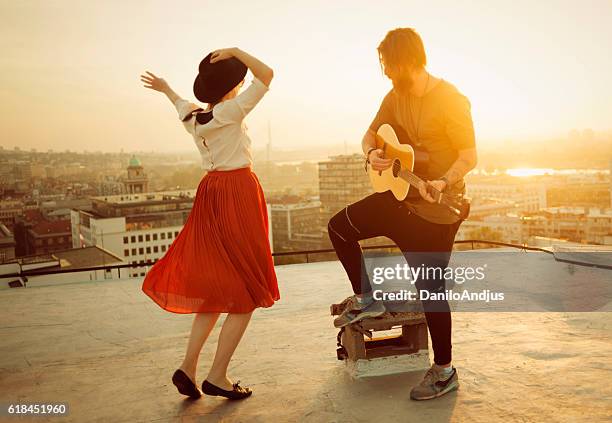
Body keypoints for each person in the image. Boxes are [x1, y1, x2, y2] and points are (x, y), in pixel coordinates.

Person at [327, 28, 477, 401]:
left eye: (391, 66)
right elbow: (370, 135)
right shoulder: (394, 96)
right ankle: (366, 297)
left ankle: (444, 371)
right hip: (401, 198)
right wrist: (371, 154)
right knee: (339, 228)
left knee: (431, 290)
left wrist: (442, 181)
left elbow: (469, 156)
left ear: (410, 60)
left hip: (437, 211)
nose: (388, 74)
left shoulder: (450, 98)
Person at [139, 47, 279, 400]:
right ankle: (217, 375)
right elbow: (268, 75)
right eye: (239, 81)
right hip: (237, 194)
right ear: (231, 87)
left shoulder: (194, 117)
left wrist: (166, 88)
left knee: (214, 291)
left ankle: (188, 366)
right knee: (246, 292)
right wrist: (236, 52)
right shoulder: (231, 111)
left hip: (210, 195)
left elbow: (179, 102)